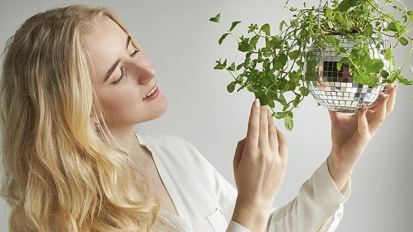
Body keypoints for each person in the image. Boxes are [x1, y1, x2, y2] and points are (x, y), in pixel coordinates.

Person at [0, 4, 397, 232]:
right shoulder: (70, 219)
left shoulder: (176, 154)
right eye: (118, 74)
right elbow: (250, 220)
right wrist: (252, 202)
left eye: (133, 50)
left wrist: (339, 164)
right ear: (74, 108)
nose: (148, 72)